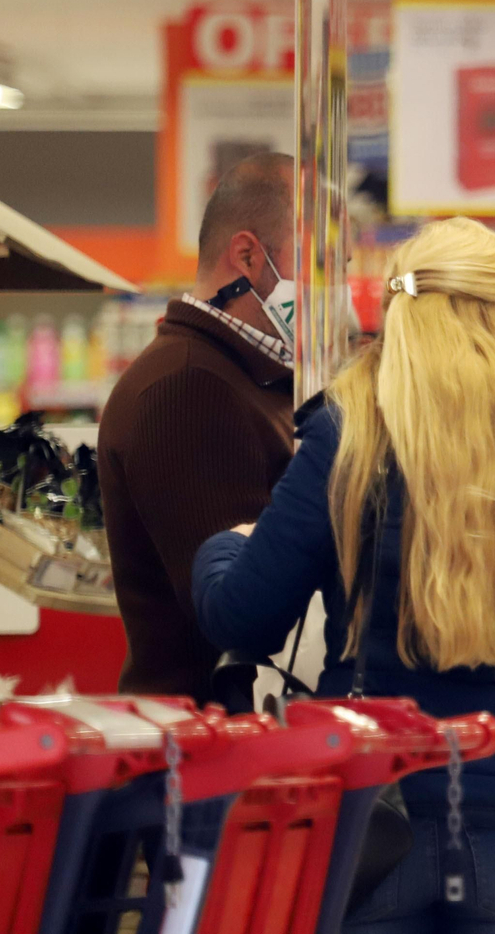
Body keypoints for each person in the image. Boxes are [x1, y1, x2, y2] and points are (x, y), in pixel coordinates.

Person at [191, 217, 495, 933]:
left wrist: (224, 548)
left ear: (399, 314)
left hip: (373, 815)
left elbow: (243, 617)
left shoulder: (347, 432)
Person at [98, 151, 298, 705]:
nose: (339, 286)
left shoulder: (249, 379)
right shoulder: (187, 388)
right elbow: (235, 609)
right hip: (203, 755)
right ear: (248, 256)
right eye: (322, 262)